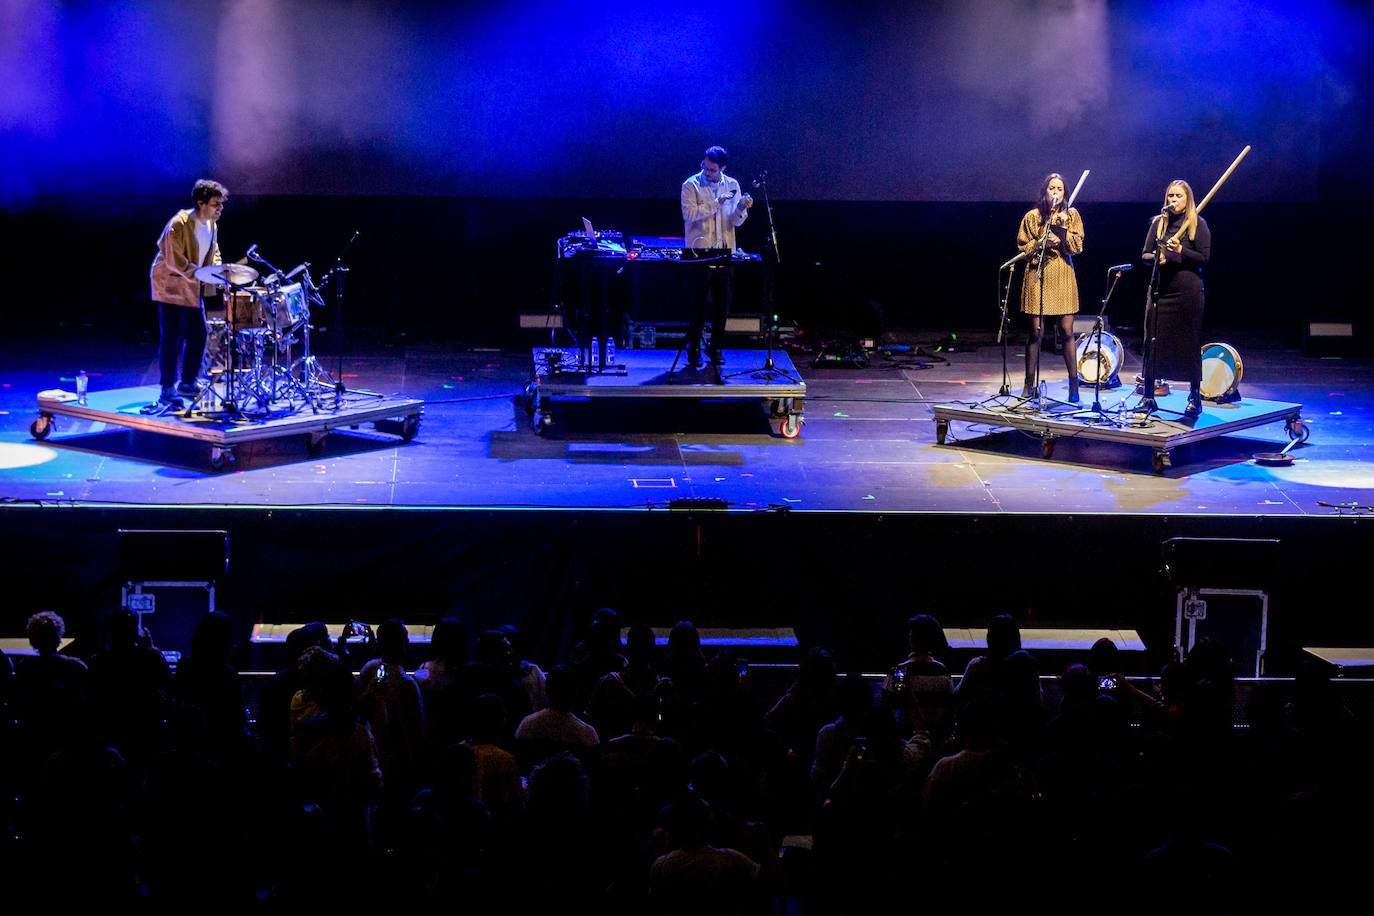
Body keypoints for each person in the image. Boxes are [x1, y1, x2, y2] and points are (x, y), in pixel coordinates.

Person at [149, 178, 230, 406]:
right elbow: (174, 259)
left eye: (221, 204)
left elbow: (213, 252)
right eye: (216, 204)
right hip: (170, 285)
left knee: (198, 334)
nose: (220, 208)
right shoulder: (179, 223)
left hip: (191, 285)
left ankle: (187, 383)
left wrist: (218, 271)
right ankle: (167, 388)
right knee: (171, 336)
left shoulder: (212, 224)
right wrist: (201, 275)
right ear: (201, 203)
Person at [680, 145, 753, 377]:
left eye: (712, 170)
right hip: (698, 252)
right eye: (705, 167)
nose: (707, 172)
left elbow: (736, 221)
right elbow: (689, 214)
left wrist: (741, 208)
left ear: (722, 168)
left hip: (724, 251)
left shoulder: (732, 185)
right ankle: (693, 349)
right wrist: (716, 203)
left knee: (723, 303)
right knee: (698, 303)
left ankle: (717, 347)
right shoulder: (690, 184)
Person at [1141, 179, 1211, 418]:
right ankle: (1148, 396)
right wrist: (1158, 257)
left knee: (1188, 343)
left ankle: (1195, 397)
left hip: (1187, 293)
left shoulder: (1196, 224)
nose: (1173, 201)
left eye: (1178, 196)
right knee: (1152, 339)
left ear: (1187, 199)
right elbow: (1145, 254)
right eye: (1170, 196)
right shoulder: (1158, 223)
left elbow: (1203, 258)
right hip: (1161, 290)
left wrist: (1180, 251)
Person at [1016, 172, 1085, 401]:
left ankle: (1074, 385)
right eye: (1052, 189)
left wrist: (1062, 237)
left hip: (1062, 272)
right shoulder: (1032, 217)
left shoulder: (1070, 215)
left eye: (1060, 189)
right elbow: (1022, 247)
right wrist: (1040, 242)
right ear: (1044, 192)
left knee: (1066, 331)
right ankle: (1029, 384)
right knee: (1035, 332)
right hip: (1039, 272)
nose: (1056, 193)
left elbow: (1077, 246)